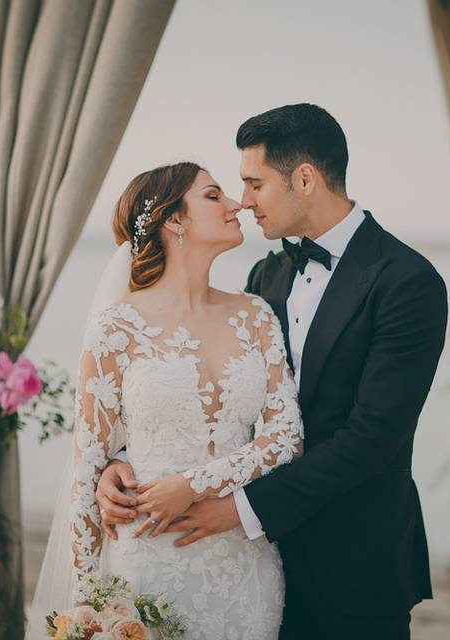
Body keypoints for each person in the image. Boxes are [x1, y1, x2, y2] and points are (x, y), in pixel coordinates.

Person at [97, 104, 449, 639]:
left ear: (304, 178)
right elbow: (213, 397)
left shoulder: (407, 281)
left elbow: (374, 437)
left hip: (351, 559)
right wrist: (129, 459)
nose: (244, 201)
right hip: (250, 564)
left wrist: (240, 509)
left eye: (254, 183)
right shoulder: (268, 276)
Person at [27, 161, 304, 639]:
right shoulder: (117, 327)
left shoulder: (255, 314)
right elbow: (87, 474)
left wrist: (190, 484)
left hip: (245, 566)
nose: (236, 203)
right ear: (175, 220)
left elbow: (286, 438)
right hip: (148, 562)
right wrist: (86, 612)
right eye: (214, 196)